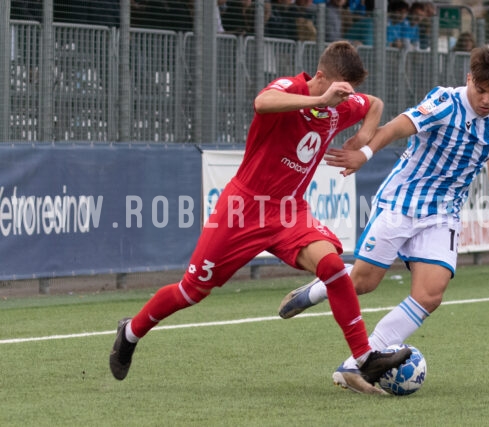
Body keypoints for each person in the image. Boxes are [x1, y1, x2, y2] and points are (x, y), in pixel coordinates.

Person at [109, 41, 411, 394]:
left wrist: (361, 138)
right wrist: (318, 100)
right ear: (320, 77)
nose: (347, 100)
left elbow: (374, 104)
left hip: (289, 211)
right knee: (191, 291)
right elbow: (262, 103)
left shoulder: (341, 105)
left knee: (332, 266)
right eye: (341, 91)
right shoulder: (290, 90)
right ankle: (130, 332)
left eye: (348, 93)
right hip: (244, 209)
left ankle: (364, 358)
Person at [278, 46, 489, 393]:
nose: (486, 100)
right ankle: (316, 290)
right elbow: (393, 128)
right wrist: (363, 153)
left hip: (443, 214)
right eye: (480, 90)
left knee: (431, 294)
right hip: (401, 204)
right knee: (363, 282)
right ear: (469, 78)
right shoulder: (444, 103)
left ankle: (359, 364)